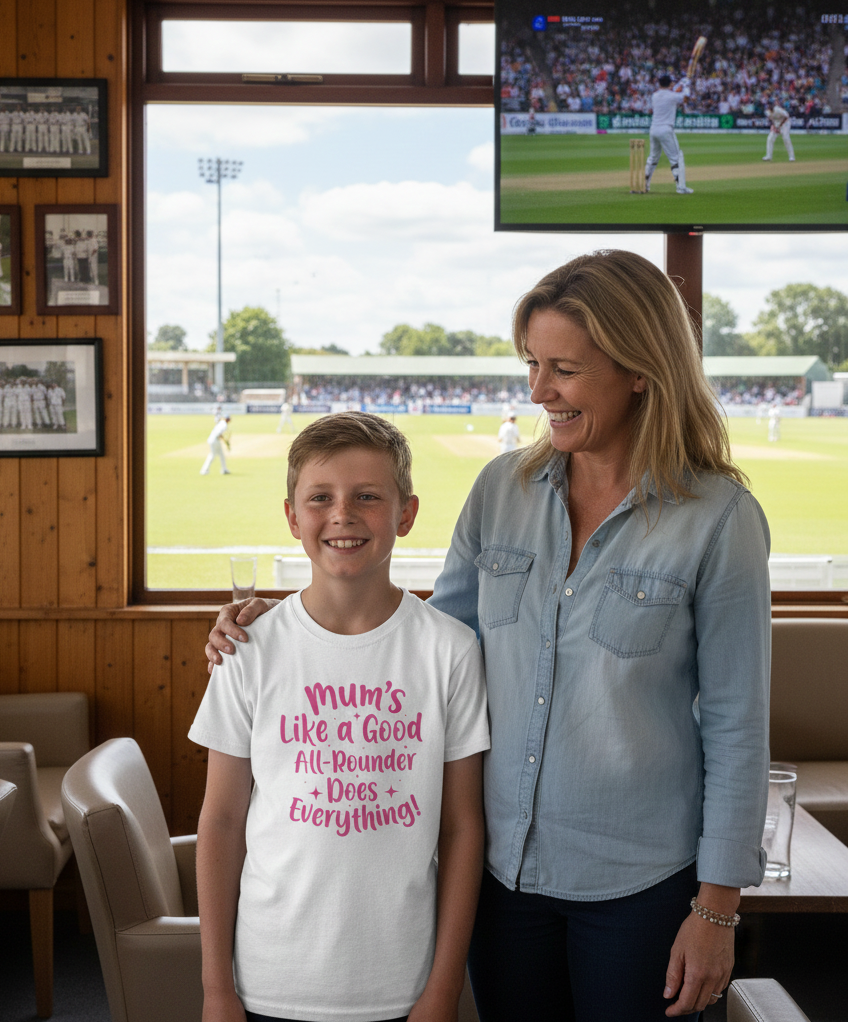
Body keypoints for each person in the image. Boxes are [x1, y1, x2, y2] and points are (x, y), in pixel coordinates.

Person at [206, 250, 772, 1021]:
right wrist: (280, 624)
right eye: (532, 364)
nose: (538, 391)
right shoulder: (498, 491)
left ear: (640, 369)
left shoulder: (719, 519)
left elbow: (739, 727)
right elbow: (424, 638)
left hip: (640, 885)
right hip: (502, 882)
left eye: (563, 369)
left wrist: (716, 909)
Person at [191, 411, 489, 1022]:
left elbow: (462, 829)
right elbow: (220, 822)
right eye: (320, 497)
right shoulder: (247, 648)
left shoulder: (450, 650)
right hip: (269, 979)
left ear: (405, 513)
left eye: (368, 497)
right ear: (292, 516)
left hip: (402, 984)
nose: (342, 515)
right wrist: (216, 988)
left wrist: (443, 989)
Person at [645, 74, 693, 194]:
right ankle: (681, 187)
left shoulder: (655, 95)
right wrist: (686, 86)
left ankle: (644, 184)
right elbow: (686, 98)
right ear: (670, 83)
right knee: (676, 158)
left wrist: (681, 84)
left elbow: (672, 92)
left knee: (653, 158)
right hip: (666, 130)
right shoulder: (672, 96)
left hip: (653, 130)